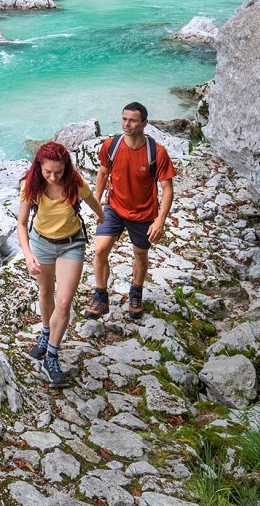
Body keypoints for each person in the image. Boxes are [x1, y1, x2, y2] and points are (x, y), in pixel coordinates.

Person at [16, 140, 105, 387]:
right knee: (45, 292)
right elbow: (22, 224)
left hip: (71, 243)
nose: (53, 177)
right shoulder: (30, 185)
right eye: (48, 172)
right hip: (41, 243)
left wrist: (101, 216)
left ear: (66, 167)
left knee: (64, 301)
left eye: (58, 171)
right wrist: (27, 255)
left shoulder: (74, 183)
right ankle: (46, 333)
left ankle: (52, 356)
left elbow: (93, 202)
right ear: (39, 168)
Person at [85, 101, 175, 320]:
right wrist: (97, 205)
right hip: (114, 207)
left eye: (133, 120)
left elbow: (167, 189)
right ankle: (100, 296)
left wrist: (160, 221)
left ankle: (136, 292)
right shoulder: (111, 146)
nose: (127, 124)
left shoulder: (157, 153)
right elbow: (103, 173)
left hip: (143, 213)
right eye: (124, 119)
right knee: (100, 250)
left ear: (144, 123)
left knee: (140, 253)